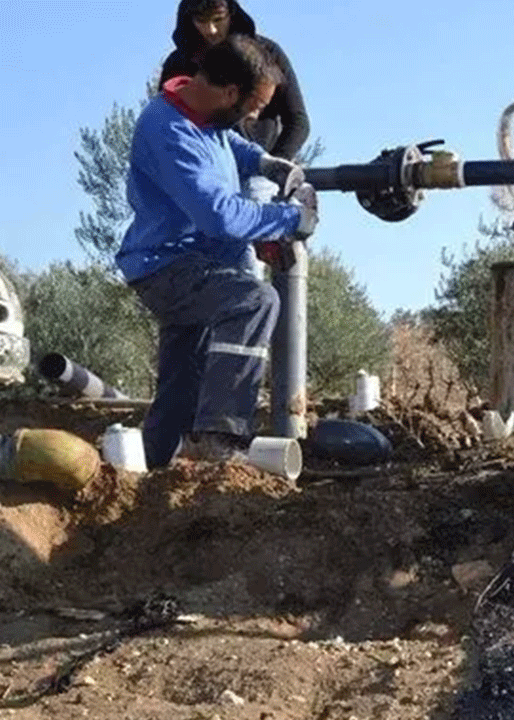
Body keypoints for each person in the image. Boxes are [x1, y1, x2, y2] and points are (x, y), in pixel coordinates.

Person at [115, 35, 318, 469]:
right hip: (168, 265)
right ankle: (221, 435)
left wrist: (263, 162)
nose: (258, 115)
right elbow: (220, 217)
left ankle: (151, 474)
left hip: (195, 264)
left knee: (182, 382)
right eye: (255, 107)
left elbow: (230, 144)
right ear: (229, 93)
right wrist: (289, 220)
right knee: (254, 301)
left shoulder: (204, 115)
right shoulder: (168, 129)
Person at [160, 0, 310, 162]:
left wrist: (274, 165)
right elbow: (166, 124)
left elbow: (298, 120)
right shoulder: (178, 64)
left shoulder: (269, 54)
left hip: (260, 168)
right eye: (201, 21)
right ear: (190, 19)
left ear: (231, 13)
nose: (211, 30)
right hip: (203, 165)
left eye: (218, 19)